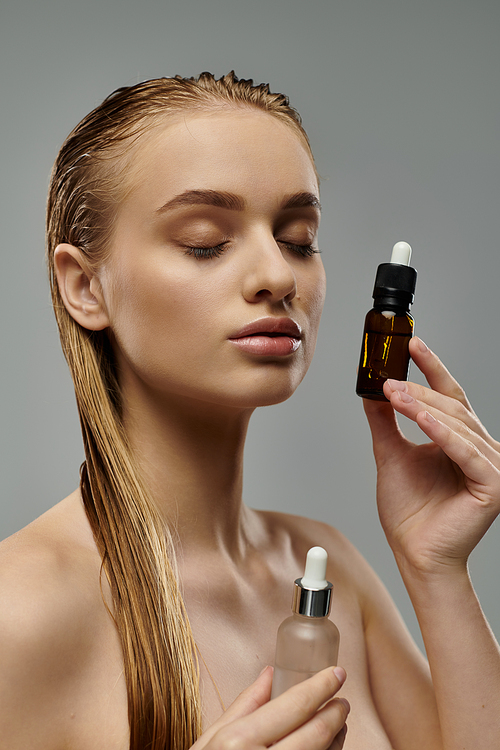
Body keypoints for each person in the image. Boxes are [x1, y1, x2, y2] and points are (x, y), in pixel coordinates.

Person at [0, 72, 499, 750]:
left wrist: (438, 570)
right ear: (86, 287)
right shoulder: (19, 611)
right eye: (206, 240)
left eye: (298, 238)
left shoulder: (331, 570)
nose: (280, 277)